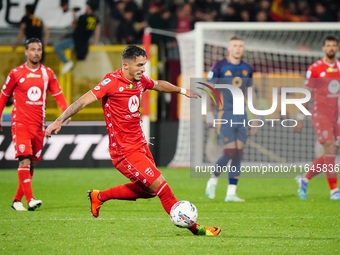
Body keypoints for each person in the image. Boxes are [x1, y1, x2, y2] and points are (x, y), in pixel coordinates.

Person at [45, 45, 221, 236]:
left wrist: (182, 90)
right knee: (162, 188)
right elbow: (82, 101)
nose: (143, 69)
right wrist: (59, 120)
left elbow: (158, 84)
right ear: (125, 65)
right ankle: (198, 230)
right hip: (124, 152)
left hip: (140, 146)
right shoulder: (110, 82)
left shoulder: (139, 80)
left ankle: (99, 196)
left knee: (149, 191)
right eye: (139, 65)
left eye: (144, 64)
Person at [0, 38, 70, 211]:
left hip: (39, 126)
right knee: (24, 160)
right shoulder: (15, 73)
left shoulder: (48, 73)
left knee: (32, 164)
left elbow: (58, 94)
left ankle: (17, 200)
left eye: (39, 49)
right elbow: (3, 97)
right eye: (32, 49)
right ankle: (30, 199)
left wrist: (66, 113)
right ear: (26, 52)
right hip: (20, 123)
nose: (36, 52)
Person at [205, 36, 258, 202]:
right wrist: (208, 113)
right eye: (235, 45)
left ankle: (231, 193)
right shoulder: (219, 66)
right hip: (224, 113)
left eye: (240, 46)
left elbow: (251, 92)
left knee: (238, 153)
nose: (238, 48)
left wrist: (255, 116)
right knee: (229, 151)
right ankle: (213, 179)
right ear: (228, 48)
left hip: (241, 114)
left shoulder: (247, 68)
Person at [295, 35, 340, 200]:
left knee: (331, 153)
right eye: (328, 45)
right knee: (330, 147)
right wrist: (300, 116)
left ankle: (304, 179)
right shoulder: (315, 68)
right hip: (320, 115)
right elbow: (307, 94)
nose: (331, 48)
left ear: (337, 48)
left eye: (334, 46)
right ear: (323, 48)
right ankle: (334, 190)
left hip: (336, 116)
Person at [54, 1, 101, 74]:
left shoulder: (83, 17)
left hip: (76, 41)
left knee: (57, 46)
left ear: (90, 8)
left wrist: (74, 14)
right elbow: (97, 31)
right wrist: (95, 42)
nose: (86, 8)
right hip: (84, 44)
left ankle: (66, 62)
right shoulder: (96, 19)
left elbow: (74, 26)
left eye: (88, 6)